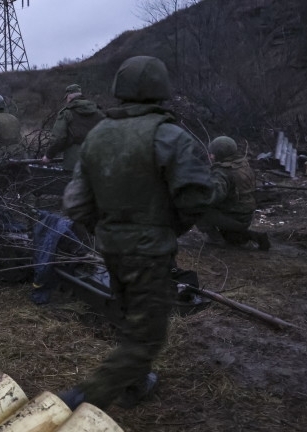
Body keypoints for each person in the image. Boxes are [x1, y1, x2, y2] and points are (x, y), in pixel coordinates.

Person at [57, 56, 227, 411]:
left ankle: (136, 381)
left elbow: (75, 202)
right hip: (149, 251)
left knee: (130, 316)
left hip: (110, 247)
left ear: (120, 89)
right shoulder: (170, 136)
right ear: (161, 91)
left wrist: (104, 230)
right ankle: (79, 400)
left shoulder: (97, 136)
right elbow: (198, 196)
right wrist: (169, 228)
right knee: (147, 336)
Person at [197, 136, 270, 250]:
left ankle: (215, 240)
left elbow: (213, 198)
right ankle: (245, 236)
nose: (210, 156)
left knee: (196, 209)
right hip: (246, 215)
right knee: (232, 237)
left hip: (235, 216)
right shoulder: (243, 164)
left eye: (212, 153)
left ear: (220, 154)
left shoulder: (222, 172)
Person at [41, 84, 105, 170]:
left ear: (69, 97)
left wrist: (48, 156)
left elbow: (58, 138)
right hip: (96, 160)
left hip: (73, 162)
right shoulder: (98, 112)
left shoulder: (66, 113)